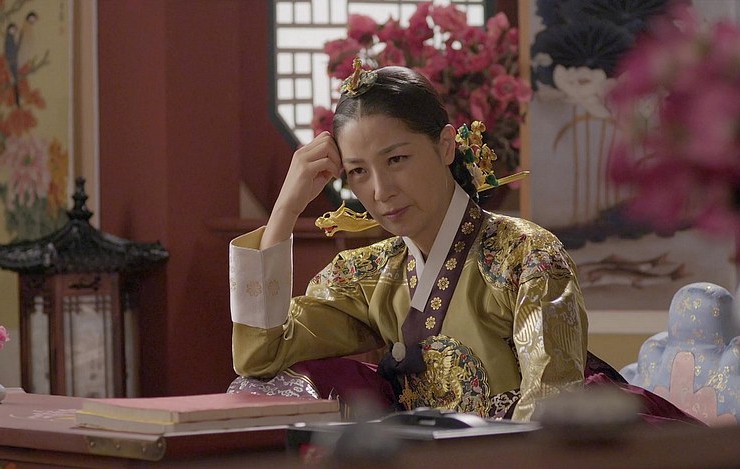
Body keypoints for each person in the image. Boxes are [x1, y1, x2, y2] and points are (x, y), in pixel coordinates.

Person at [228, 61, 698, 423]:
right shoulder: (366, 275)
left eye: (396, 159)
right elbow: (259, 355)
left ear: (446, 145)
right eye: (358, 172)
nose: (381, 190)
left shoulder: (526, 255)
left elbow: (549, 408)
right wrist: (285, 210)